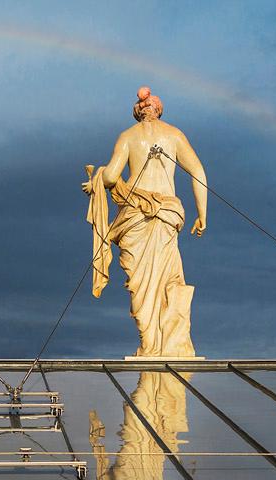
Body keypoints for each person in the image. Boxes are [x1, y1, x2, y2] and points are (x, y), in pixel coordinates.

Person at [82, 87, 207, 357]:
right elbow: (197, 171)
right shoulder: (174, 135)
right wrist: (202, 213)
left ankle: (153, 345)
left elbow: (112, 177)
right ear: (157, 109)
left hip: (136, 219)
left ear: (139, 111)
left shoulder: (127, 137)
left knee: (140, 288)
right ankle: (158, 348)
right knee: (165, 281)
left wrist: (95, 181)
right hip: (163, 215)